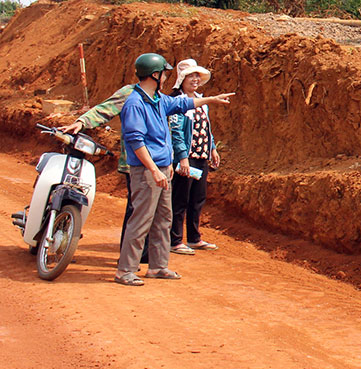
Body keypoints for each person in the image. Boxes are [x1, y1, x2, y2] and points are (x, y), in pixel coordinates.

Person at [116, 53, 235, 287]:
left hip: (162, 169)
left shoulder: (157, 99)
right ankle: (125, 270)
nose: (166, 77)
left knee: (163, 218)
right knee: (141, 220)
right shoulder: (135, 103)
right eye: (164, 72)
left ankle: (158, 266)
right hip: (147, 171)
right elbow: (135, 141)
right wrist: (154, 170)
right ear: (155, 74)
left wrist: (211, 99)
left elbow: (183, 103)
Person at [59, 83, 151, 263]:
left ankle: (143, 254)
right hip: (134, 162)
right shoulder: (131, 92)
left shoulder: (158, 97)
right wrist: (82, 122)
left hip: (156, 163)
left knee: (149, 211)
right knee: (136, 210)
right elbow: (104, 109)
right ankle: (130, 256)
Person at [168, 59, 220, 255]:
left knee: (197, 197)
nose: (195, 79)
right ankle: (174, 240)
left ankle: (194, 238)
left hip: (201, 154)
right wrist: (182, 158)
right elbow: (176, 132)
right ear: (181, 78)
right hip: (185, 157)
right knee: (180, 198)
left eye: (197, 76)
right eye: (191, 76)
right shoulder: (176, 102)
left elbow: (206, 127)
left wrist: (212, 148)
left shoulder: (201, 100)